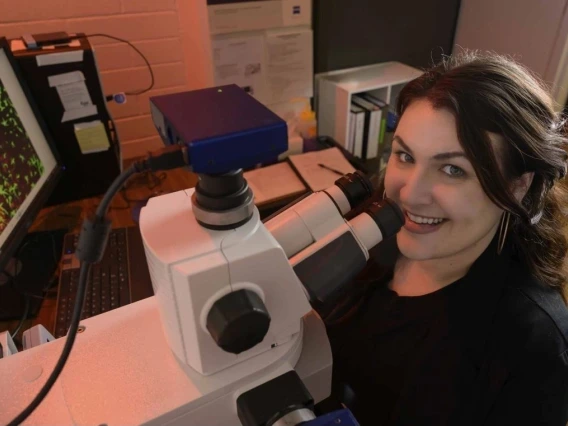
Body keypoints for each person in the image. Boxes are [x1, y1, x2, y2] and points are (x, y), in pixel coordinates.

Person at [319, 51, 568, 425]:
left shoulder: (532, 344)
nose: (409, 193)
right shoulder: (370, 232)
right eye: (405, 156)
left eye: (452, 169)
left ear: (518, 186)